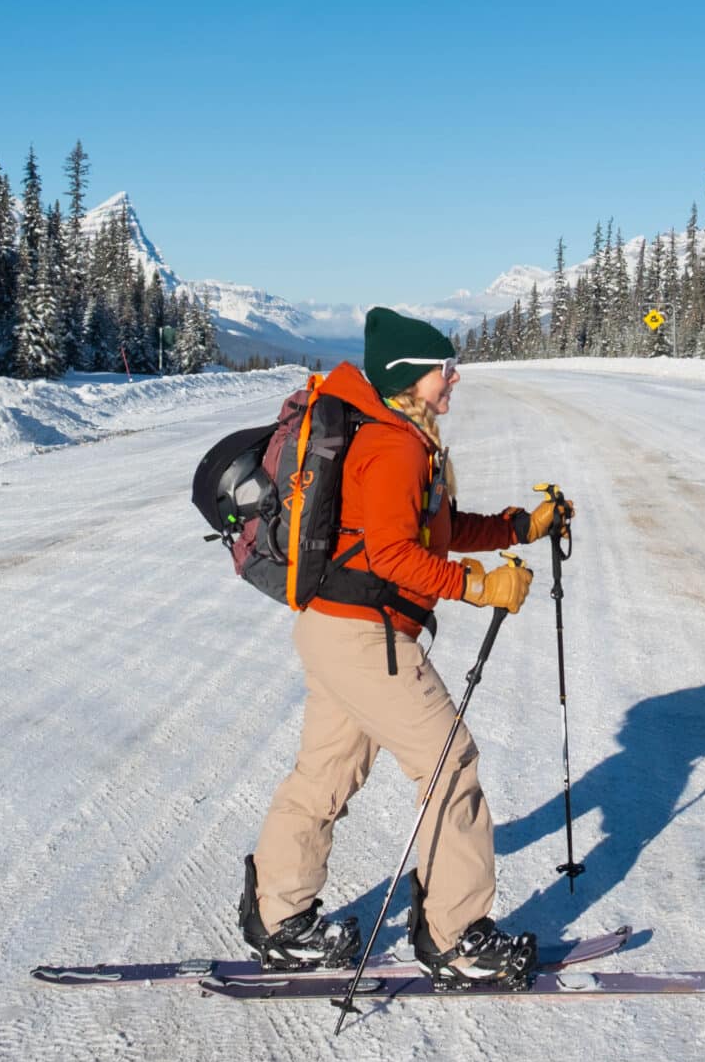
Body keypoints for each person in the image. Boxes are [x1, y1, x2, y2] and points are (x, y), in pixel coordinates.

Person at [237, 306, 566, 987]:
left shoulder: (404, 435)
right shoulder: (396, 446)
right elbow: (391, 555)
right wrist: (479, 588)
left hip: (338, 629)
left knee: (323, 777)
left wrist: (516, 526)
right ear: (412, 377)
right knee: (452, 765)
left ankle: (279, 920)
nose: (453, 381)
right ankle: (454, 937)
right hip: (368, 637)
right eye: (445, 370)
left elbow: (430, 532)